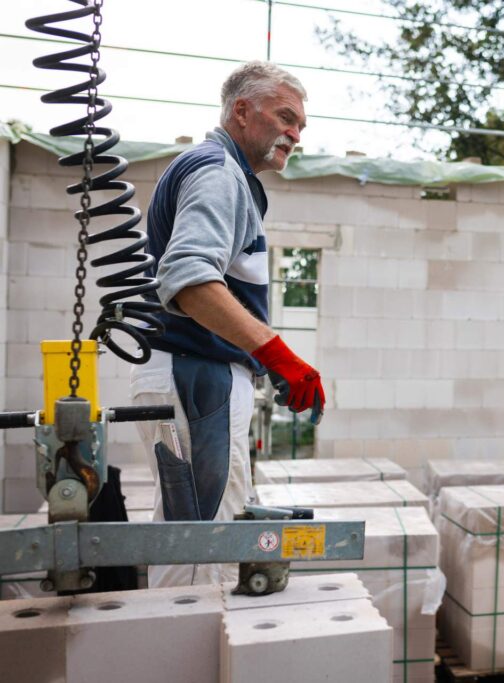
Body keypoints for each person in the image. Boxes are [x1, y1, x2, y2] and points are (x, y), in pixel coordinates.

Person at [130, 61, 325, 587]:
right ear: (242, 110)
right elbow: (188, 276)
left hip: (197, 376)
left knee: (187, 531)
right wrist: (278, 355)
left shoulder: (225, 174)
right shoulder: (219, 171)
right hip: (201, 377)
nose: (295, 133)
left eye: (302, 126)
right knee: (201, 547)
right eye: (286, 117)